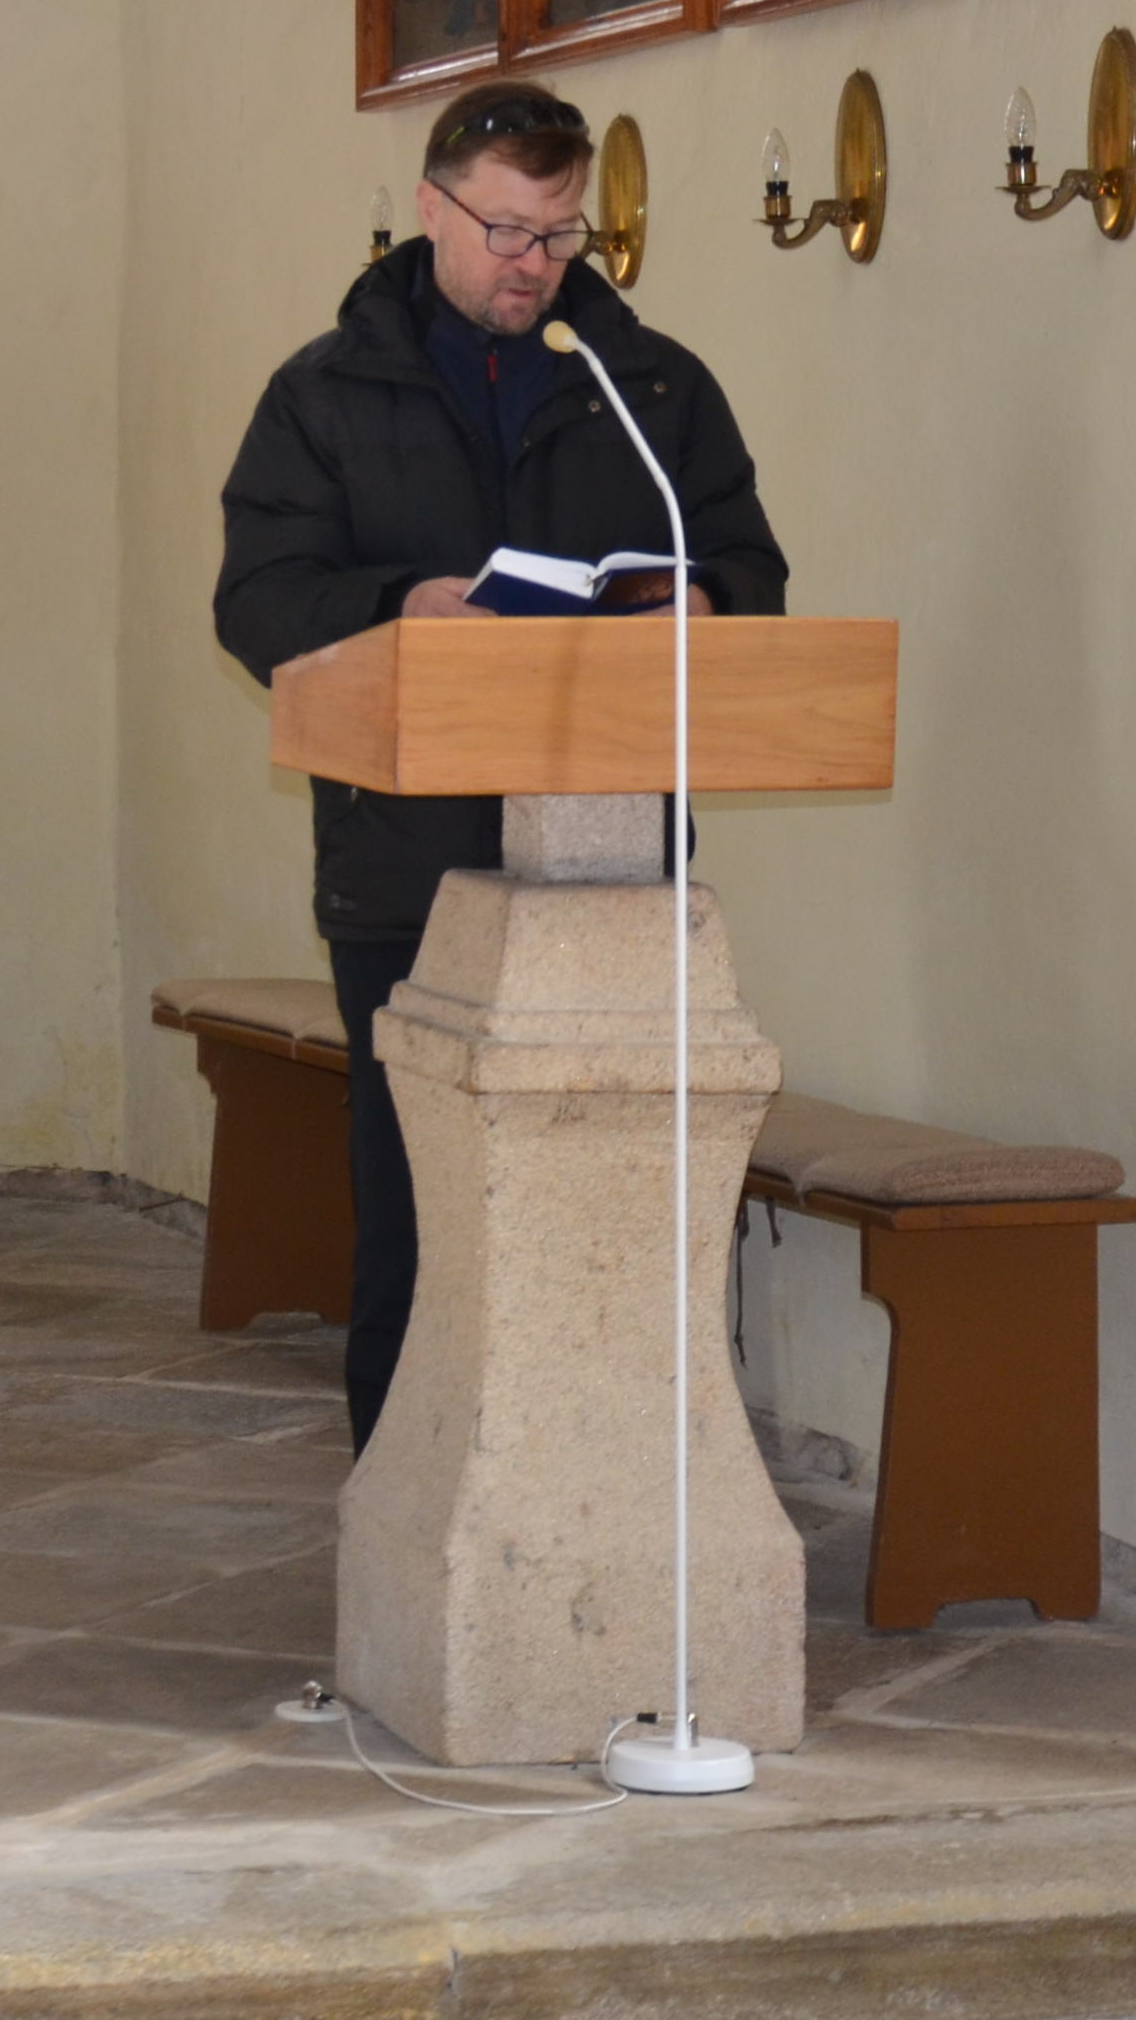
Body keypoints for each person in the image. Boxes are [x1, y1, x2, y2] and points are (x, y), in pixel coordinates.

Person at [212, 80, 786, 1449]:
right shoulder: (323, 394)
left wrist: (705, 601)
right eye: (506, 231)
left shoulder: (648, 387)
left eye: (559, 233)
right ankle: (407, 1505)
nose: (533, 264)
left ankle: (615, 1491)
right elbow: (258, 602)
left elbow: (748, 567)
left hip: (612, 866)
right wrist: (399, 608)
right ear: (432, 209)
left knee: (610, 1207)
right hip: (407, 868)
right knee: (420, 1214)